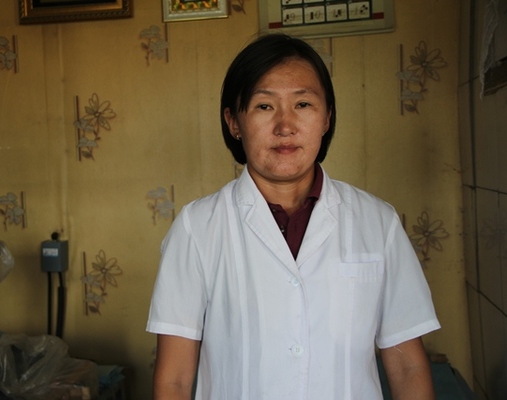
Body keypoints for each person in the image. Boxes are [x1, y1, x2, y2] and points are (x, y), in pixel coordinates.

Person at [146, 33, 440, 400]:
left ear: (327, 117)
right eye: (264, 106)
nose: (285, 126)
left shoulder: (378, 223)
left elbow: (409, 368)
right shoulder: (197, 228)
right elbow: (173, 380)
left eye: (303, 104)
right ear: (233, 122)